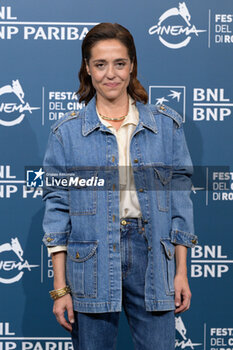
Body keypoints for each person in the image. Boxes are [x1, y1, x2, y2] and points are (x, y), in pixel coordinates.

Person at [42, 22, 198, 350]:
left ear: (132, 66)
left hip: (154, 258)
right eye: (100, 64)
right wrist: (60, 288)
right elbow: (57, 210)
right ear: (87, 68)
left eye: (120, 63)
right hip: (91, 260)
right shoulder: (66, 134)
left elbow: (181, 203)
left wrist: (181, 271)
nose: (110, 74)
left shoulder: (166, 127)